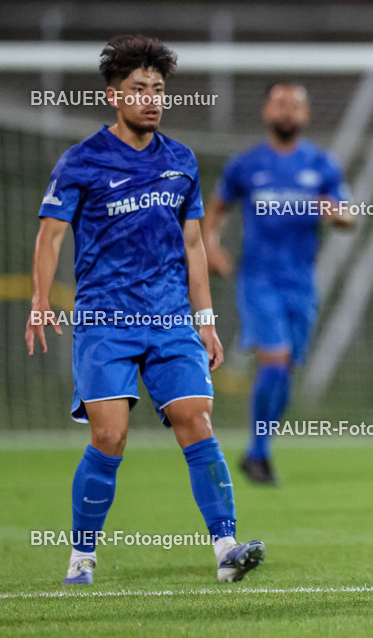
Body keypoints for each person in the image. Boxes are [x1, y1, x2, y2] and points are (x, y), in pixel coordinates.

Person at [24, 34, 264, 585]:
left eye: (158, 89)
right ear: (114, 95)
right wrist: (39, 300)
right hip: (104, 320)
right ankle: (82, 556)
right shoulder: (81, 160)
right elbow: (51, 236)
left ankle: (227, 550)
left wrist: (205, 321)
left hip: (170, 318)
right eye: (138, 89)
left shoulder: (180, 161)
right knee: (109, 437)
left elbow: (195, 245)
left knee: (196, 419)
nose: (151, 99)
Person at [203, 80, 354, 486]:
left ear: (306, 115)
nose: (287, 111)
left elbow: (349, 215)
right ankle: (257, 452)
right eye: (280, 103)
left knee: (286, 368)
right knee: (274, 358)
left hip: (302, 282)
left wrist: (336, 214)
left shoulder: (321, 164)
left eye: (295, 105)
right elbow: (216, 210)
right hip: (258, 279)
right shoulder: (246, 165)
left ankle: (260, 451)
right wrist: (210, 245)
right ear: (267, 112)